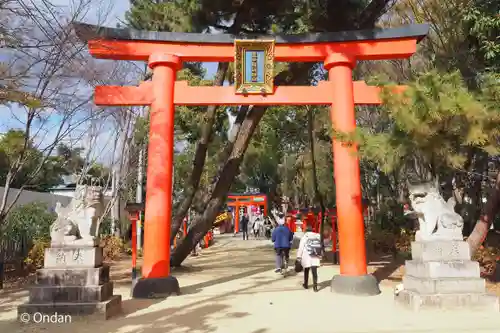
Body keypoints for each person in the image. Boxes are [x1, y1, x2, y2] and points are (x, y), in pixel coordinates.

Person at [297, 225, 322, 292]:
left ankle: (306, 284)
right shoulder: (317, 236)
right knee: (314, 272)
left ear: (306, 231)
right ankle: (315, 287)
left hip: (307, 257)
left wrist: (298, 256)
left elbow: (301, 248)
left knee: (306, 271)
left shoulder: (304, 237)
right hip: (315, 256)